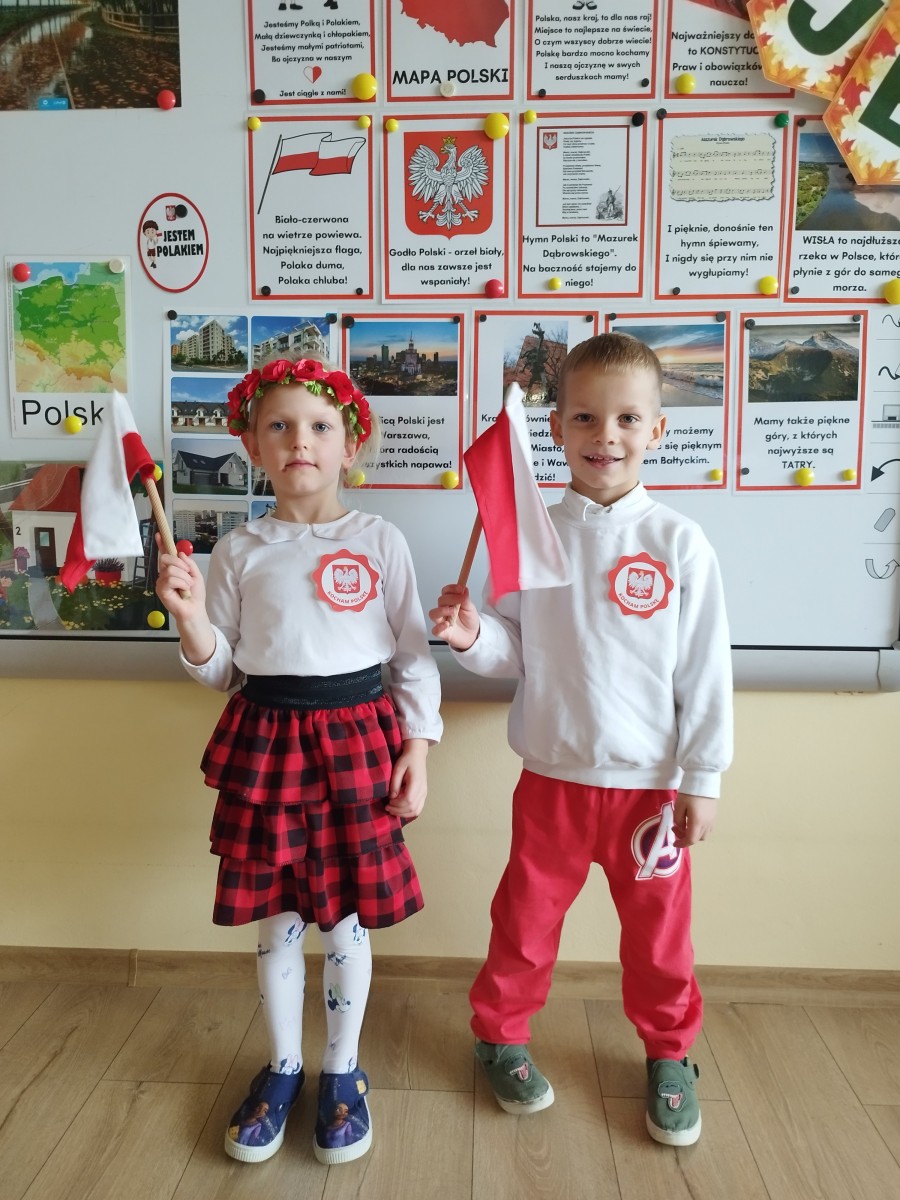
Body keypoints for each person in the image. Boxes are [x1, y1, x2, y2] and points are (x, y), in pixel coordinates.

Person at [430, 333, 732, 1147]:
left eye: (628, 418)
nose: (607, 435)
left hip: (650, 795)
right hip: (553, 781)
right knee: (523, 926)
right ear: (557, 427)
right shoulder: (532, 534)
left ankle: (670, 1053)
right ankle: (500, 1035)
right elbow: (515, 653)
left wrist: (703, 777)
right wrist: (470, 636)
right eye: (586, 418)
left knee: (659, 940)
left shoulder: (679, 543)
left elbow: (705, 670)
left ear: (657, 430)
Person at [156, 357, 441, 1166]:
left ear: (351, 444)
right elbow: (222, 668)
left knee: (344, 919)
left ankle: (342, 1071)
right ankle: (283, 1068)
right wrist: (189, 620)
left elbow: (412, 658)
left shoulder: (381, 540)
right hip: (269, 744)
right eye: (277, 426)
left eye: (318, 426)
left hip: (359, 746)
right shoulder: (238, 549)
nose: (299, 441)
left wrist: (418, 748)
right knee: (279, 919)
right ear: (251, 446)